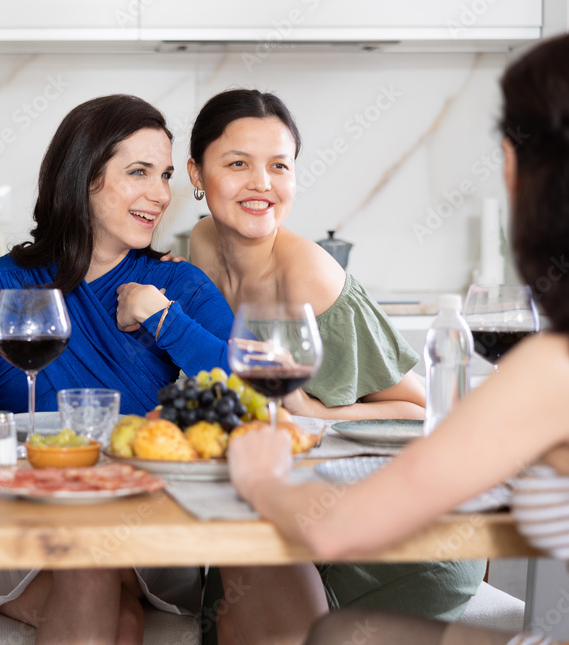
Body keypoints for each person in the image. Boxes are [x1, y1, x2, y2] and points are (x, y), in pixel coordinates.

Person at [225, 32, 569, 645]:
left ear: (517, 171)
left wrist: (262, 480)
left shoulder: (551, 369)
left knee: (330, 632)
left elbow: (335, 529)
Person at [0, 94, 234, 644]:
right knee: (112, 610)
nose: (161, 194)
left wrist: (164, 321)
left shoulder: (176, 286)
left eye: (164, 174)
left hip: (136, 521)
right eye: (138, 172)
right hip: (18, 521)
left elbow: (248, 381)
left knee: (95, 566)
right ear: (83, 176)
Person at [185, 88, 484, 644]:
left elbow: (430, 408)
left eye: (280, 165)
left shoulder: (310, 279)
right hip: (276, 510)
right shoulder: (197, 251)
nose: (262, 184)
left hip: (386, 538)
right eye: (237, 164)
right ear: (196, 174)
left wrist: (315, 411)